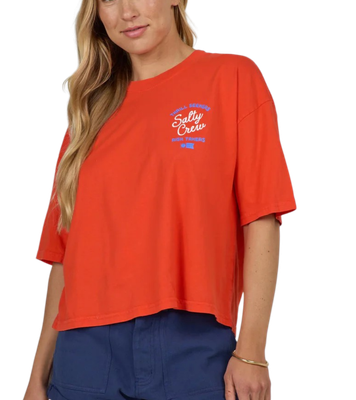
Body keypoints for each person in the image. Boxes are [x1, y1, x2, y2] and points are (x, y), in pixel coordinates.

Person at [24, 1, 297, 400]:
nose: (127, 12)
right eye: (108, 0)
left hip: (193, 346)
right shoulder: (89, 114)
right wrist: (37, 378)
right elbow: (65, 256)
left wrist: (252, 351)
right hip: (85, 353)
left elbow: (261, 217)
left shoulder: (232, 77)